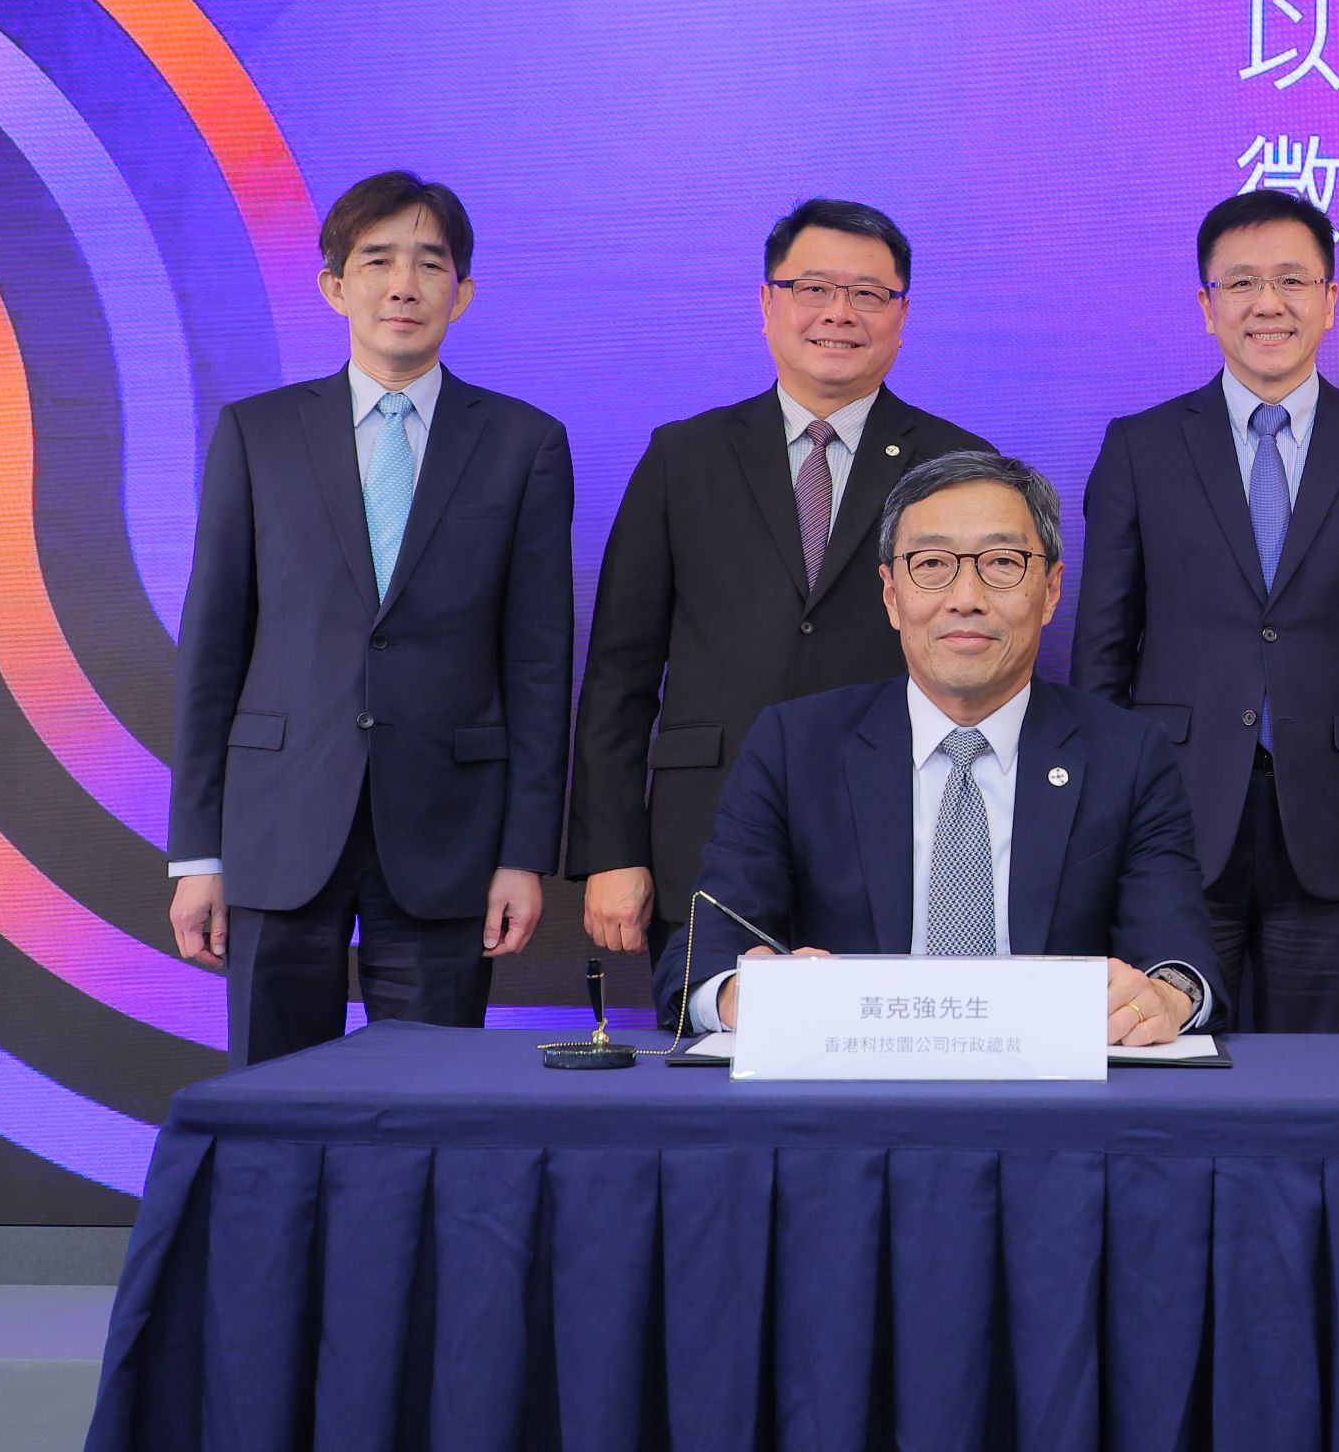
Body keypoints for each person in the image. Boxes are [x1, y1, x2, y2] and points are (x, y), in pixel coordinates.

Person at [167, 172, 573, 1067]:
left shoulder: (523, 443)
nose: (403, 286)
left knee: (428, 1099)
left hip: (448, 833)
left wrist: (522, 855)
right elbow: (212, 651)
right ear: (334, 287)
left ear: (462, 293)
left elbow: (539, 666)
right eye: (377, 261)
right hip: (278, 826)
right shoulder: (258, 434)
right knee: (273, 1100)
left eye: (430, 264)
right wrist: (197, 855)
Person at [661, 452, 1216, 1046]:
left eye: (1002, 562)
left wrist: (1165, 994)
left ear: (1051, 590)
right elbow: (706, 946)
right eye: (932, 564)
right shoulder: (794, 747)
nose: (965, 597)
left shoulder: (1128, 754)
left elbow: (1175, 949)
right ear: (891, 594)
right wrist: (741, 993)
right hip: (852, 1078)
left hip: (1053, 1080)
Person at [568, 198, 990, 963]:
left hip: (897, 836)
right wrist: (612, 851)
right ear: (767, 303)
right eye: (814, 288)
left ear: (902, 315)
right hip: (704, 836)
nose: (839, 313)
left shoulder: (958, 467)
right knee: (706, 1035)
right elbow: (618, 677)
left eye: (868, 294)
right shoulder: (683, 458)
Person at [1071, 190, 1339, 1032]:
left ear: (1330, 300)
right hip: (1172, 821)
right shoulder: (1141, 448)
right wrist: (1100, 833)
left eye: (1291, 280)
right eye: (1240, 283)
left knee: (1321, 1080)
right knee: (1169, 1060)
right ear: (1207, 307)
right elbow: (1100, 656)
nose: (1267, 303)